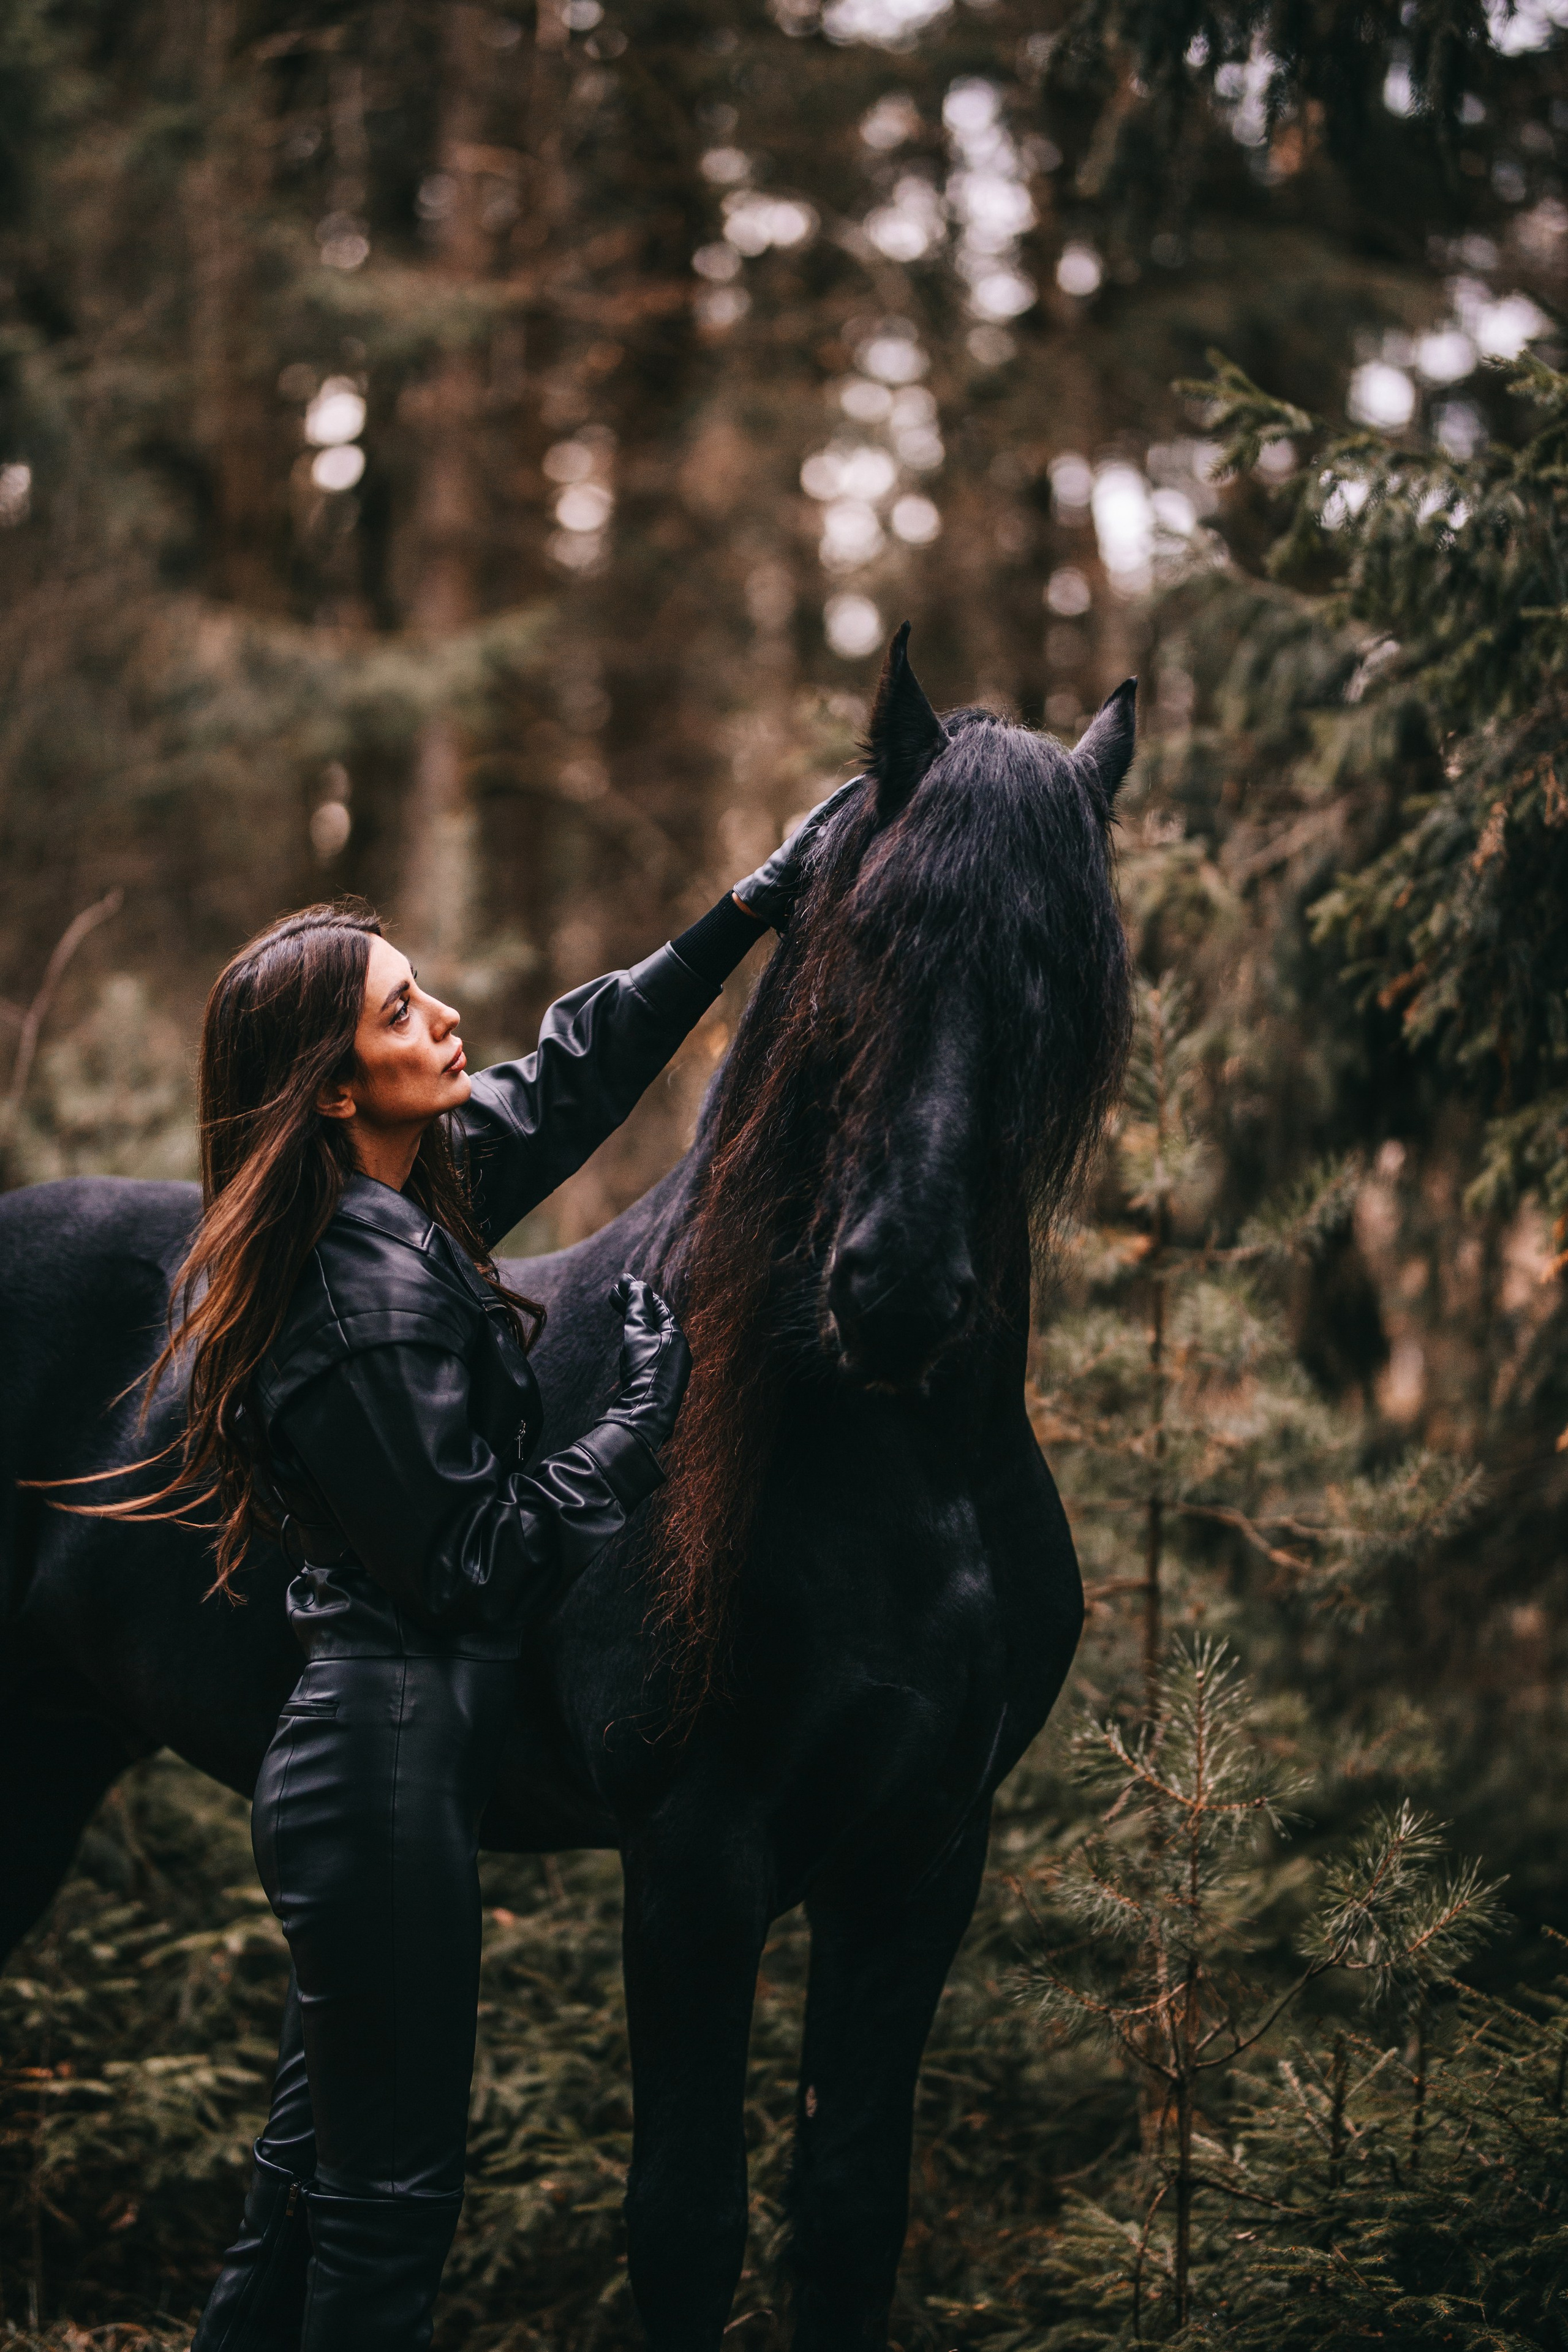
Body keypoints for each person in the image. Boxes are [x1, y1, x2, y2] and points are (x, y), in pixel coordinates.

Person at [80, 783, 855, 2352]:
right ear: (328, 1087)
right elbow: (473, 1565)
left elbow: (570, 1075)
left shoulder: (388, 1206)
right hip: (378, 1775)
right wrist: (634, 1421)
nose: (443, 1018)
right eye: (398, 1011)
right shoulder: (357, 1294)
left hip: (386, 1765)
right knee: (384, 2222)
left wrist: (750, 905)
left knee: (307, 2201)